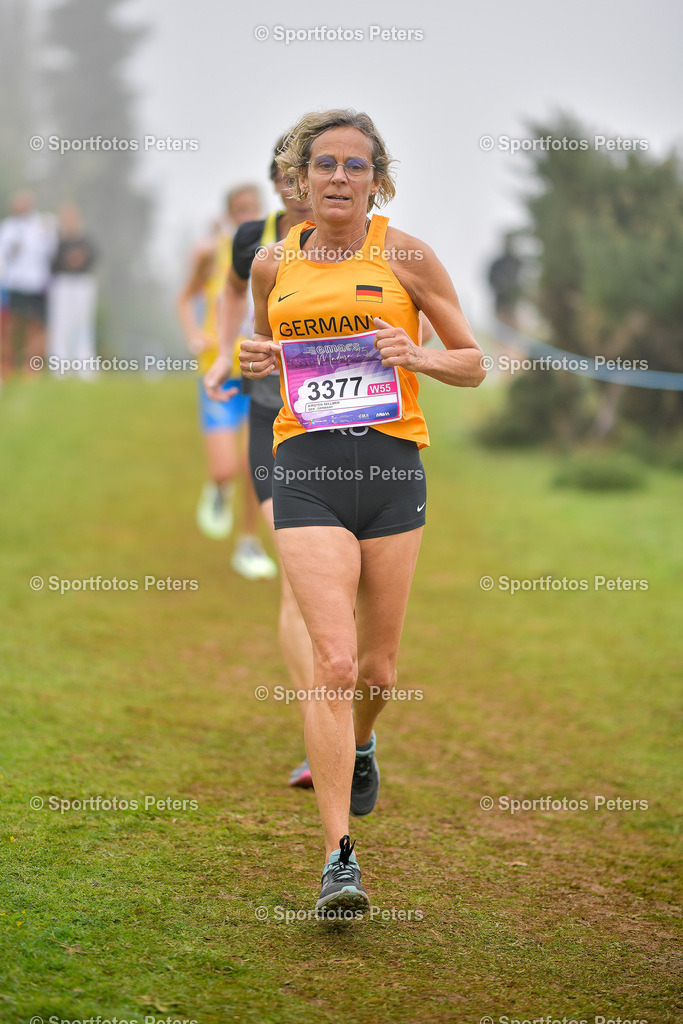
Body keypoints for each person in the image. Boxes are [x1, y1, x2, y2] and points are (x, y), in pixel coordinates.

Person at [239, 109, 485, 916]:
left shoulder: (406, 255)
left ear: (376, 178)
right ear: (299, 177)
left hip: (388, 469)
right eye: (323, 165)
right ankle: (338, 858)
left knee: (377, 672)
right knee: (334, 665)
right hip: (305, 465)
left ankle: (366, 738)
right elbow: (260, 353)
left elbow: (473, 363)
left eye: (354, 165)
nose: (338, 178)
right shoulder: (272, 264)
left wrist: (416, 354)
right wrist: (252, 362)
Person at [204, 137, 315, 789]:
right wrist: (225, 350)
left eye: (299, 176)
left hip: (346, 436)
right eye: (283, 176)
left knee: (340, 598)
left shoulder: (361, 245)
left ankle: (353, 726)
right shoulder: (256, 240)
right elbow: (228, 292)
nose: (290, 188)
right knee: (296, 577)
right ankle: (320, 733)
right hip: (271, 421)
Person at [177, 185, 277, 580]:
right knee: (225, 468)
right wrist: (193, 333)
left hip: (261, 370)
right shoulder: (212, 253)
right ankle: (218, 488)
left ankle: (248, 542)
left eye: (252, 209)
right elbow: (185, 297)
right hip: (219, 372)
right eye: (239, 210)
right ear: (229, 214)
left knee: (257, 464)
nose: (246, 216)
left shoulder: (281, 250)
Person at [0, 190, 56, 379]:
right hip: (15, 282)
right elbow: (5, 253)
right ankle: (7, 362)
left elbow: (51, 251)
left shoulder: (42, 224)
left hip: (37, 282)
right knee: (11, 324)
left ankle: (31, 364)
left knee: (37, 325)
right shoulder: (8, 226)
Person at [48, 203, 98, 377]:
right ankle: (59, 364)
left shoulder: (85, 240)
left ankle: (85, 364)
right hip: (62, 284)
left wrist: (79, 259)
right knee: (61, 322)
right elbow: (51, 264)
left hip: (83, 283)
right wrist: (67, 260)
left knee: (83, 323)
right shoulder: (57, 241)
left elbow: (94, 258)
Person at [487, 232, 522, 329]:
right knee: (501, 331)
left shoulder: (517, 263)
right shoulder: (498, 263)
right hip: (500, 303)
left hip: (513, 303)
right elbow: (490, 280)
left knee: (513, 333)